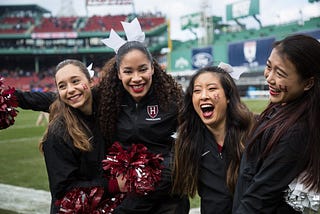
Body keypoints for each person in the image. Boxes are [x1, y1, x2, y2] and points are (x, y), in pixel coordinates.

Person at [97, 18, 189, 213]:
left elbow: (179, 155)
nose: (136, 78)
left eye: (143, 69)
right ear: (119, 73)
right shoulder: (108, 101)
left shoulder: (173, 100)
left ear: (153, 68)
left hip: (167, 201)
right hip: (127, 196)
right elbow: (69, 98)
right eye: (128, 71)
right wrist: (17, 98)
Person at [16, 59, 127, 213]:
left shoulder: (106, 110)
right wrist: (113, 185)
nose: (70, 89)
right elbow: (64, 192)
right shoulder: (57, 134)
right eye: (62, 86)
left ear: (90, 81)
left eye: (75, 81)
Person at [233, 34, 320, 213]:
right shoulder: (281, 107)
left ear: (308, 83)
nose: (269, 78)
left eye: (280, 73)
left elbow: (259, 198)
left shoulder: (296, 132)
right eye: (268, 67)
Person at [171, 66, 255, 214]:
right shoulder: (188, 140)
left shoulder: (253, 132)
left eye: (211, 88)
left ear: (228, 97)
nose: (203, 96)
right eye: (197, 91)